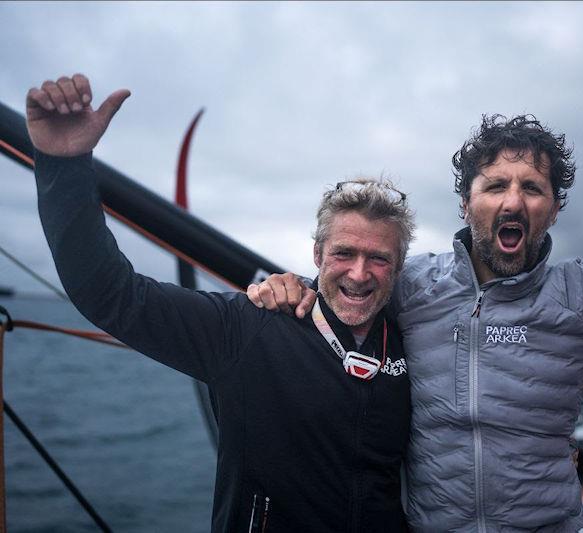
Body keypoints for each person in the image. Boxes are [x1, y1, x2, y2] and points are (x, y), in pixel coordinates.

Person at [248, 114, 583, 531]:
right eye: (495, 186)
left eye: (532, 188)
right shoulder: (412, 284)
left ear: (553, 209)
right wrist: (286, 285)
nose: (514, 199)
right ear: (467, 205)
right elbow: (347, 280)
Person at [27, 73, 415, 532]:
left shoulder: (413, 336)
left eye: (378, 259)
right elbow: (110, 293)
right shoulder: (248, 328)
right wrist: (63, 164)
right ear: (317, 255)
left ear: (399, 264)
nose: (358, 273)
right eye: (344, 253)